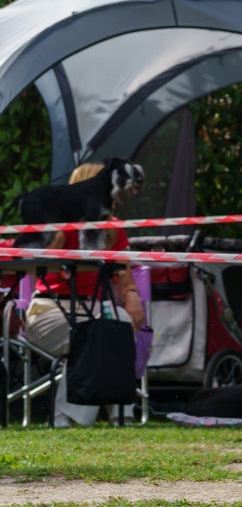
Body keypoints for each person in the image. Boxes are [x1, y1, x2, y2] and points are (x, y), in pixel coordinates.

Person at [23, 161, 147, 427]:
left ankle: (121, 415)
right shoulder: (57, 219)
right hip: (49, 310)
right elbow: (38, 260)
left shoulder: (112, 228)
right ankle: (67, 419)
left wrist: (132, 294)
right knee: (94, 336)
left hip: (93, 308)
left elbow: (123, 271)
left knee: (119, 327)